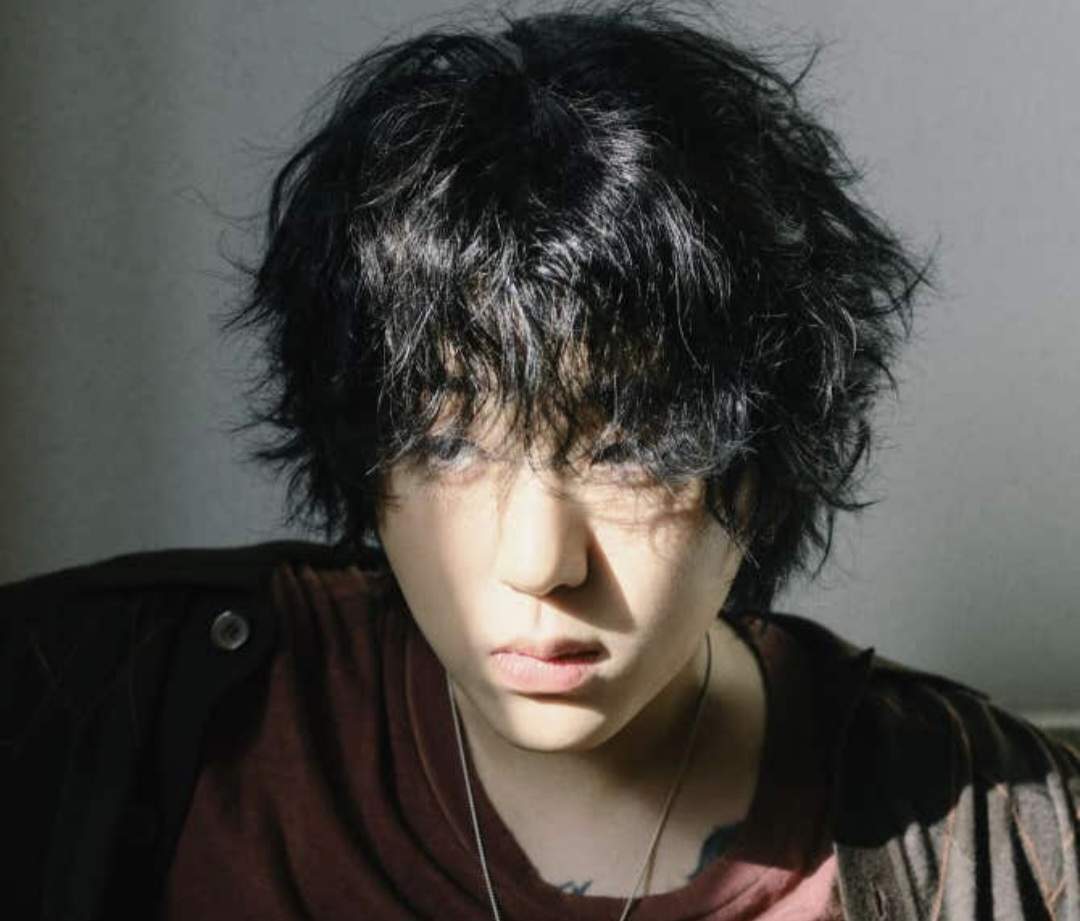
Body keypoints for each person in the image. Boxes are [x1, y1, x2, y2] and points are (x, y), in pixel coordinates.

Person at [3, 1, 1077, 919]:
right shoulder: (111, 702)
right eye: (451, 442)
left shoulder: (997, 834)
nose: (537, 562)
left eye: (626, 450)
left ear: (760, 466)